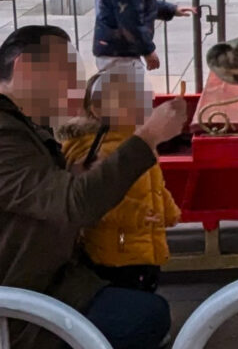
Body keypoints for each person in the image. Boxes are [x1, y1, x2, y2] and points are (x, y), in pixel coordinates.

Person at [0, 25, 187, 349]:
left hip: (46, 275)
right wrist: (148, 137)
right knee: (145, 318)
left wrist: (73, 171)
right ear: (26, 68)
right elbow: (74, 206)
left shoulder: (23, 124)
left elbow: (38, 190)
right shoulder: (5, 134)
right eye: (67, 74)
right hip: (22, 293)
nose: (75, 86)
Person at [57, 67, 181, 295]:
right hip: (119, 245)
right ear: (98, 109)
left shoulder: (137, 144)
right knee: (128, 289)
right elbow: (94, 201)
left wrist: (168, 210)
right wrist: (137, 214)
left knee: (144, 286)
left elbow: (154, 184)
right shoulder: (96, 151)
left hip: (144, 239)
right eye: (124, 101)